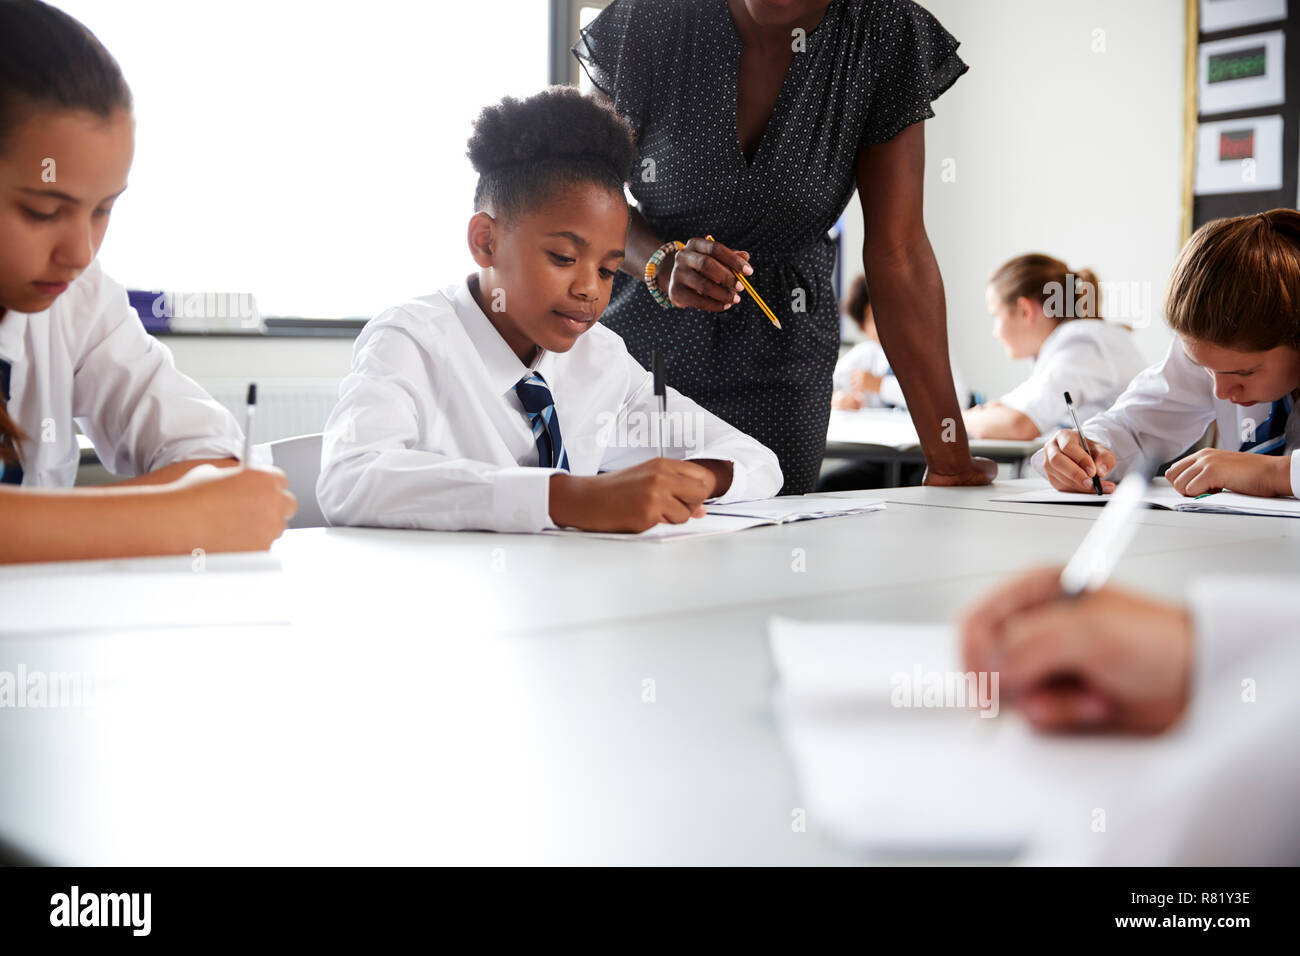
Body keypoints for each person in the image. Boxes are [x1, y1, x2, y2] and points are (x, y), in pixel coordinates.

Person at [572, 0, 996, 494]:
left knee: (769, 540)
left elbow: (897, 252)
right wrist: (661, 261)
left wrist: (949, 458)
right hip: (635, 350)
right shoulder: (650, 17)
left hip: (783, 357)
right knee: (621, 538)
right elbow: (579, 199)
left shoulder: (884, 34)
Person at [316, 87, 782, 534]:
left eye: (607, 270)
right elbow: (350, 479)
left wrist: (693, 480)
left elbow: (756, 461)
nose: (588, 290)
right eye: (563, 258)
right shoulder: (411, 340)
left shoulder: (600, 358)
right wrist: (565, 499)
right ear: (486, 241)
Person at [0, 0, 295, 565]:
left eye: (102, 209)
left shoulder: (79, 299)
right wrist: (172, 517)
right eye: (43, 211)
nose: (80, 253)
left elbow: (213, 456)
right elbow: (204, 503)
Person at [1039, 210, 1300, 499]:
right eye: (1208, 370)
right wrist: (1086, 449)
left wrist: (1274, 473)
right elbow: (1135, 427)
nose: (1221, 391)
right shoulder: (1210, 348)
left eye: (1244, 372)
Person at [962, 254, 1147, 441]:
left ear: (1025, 310)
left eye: (995, 315)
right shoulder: (1068, 349)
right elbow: (1010, 410)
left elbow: (1018, 424)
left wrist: (959, 418)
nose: (995, 332)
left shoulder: (1083, 343)